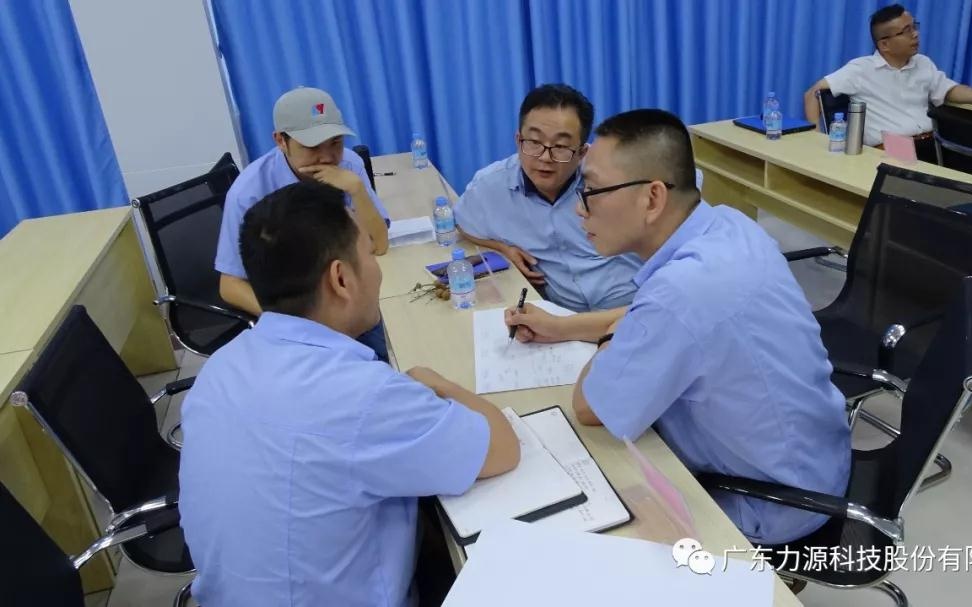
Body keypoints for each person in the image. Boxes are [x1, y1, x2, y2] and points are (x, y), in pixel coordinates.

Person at [504, 109, 851, 546]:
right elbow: (650, 316)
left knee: (575, 516)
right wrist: (565, 326)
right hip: (821, 461)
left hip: (772, 502)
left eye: (590, 191)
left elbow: (590, 408)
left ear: (652, 198)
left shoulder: (680, 292)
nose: (579, 208)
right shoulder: (727, 224)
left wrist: (612, 334)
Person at [181, 181, 520, 606]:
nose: (377, 268)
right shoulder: (365, 396)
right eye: (368, 253)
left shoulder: (219, 369)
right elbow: (502, 448)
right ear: (341, 279)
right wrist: (438, 383)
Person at [215, 86, 392, 360]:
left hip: (344, 292)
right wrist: (297, 323)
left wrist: (357, 190)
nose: (327, 157)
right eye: (312, 146)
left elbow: (379, 244)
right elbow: (229, 285)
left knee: (396, 349)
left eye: (335, 142)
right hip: (296, 309)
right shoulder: (248, 193)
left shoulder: (349, 166)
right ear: (280, 141)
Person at [454, 84, 640, 312]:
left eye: (561, 146)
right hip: (561, 318)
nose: (545, 157)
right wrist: (502, 248)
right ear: (518, 140)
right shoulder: (491, 186)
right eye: (534, 142)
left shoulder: (617, 177)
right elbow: (463, 221)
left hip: (635, 306)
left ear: (583, 152)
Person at [803, 3, 972, 161]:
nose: (916, 34)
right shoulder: (861, 69)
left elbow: (949, 89)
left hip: (933, 140)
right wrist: (816, 137)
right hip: (891, 147)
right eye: (906, 31)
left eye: (914, 26)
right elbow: (812, 94)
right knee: (931, 179)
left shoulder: (923, 63)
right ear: (884, 45)